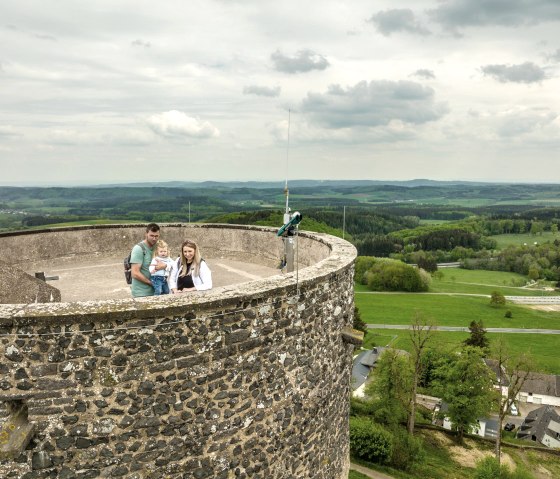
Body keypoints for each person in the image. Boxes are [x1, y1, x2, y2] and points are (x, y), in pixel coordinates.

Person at [130, 223, 166, 298]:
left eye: (156, 236)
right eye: (151, 236)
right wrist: (152, 283)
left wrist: (165, 265)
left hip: (157, 292)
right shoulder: (138, 249)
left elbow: (168, 261)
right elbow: (135, 273)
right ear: (146, 234)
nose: (154, 238)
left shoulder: (159, 247)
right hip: (142, 293)